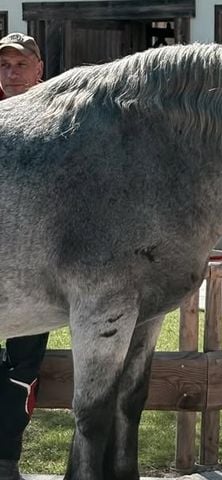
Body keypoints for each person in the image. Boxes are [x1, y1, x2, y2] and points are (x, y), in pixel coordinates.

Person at [0, 32, 47, 480]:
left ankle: (6, 459)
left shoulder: (58, 126)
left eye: (20, 64)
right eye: (5, 65)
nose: (12, 73)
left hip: (38, 272)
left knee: (23, 369)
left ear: (39, 70)